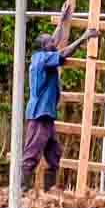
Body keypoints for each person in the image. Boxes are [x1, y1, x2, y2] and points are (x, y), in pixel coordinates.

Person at [19, 30, 68, 190]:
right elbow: (62, 54)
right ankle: (21, 190)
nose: (54, 43)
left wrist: (63, 20)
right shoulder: (42, 58)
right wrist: (84, 37)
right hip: (39, 114)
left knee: (54, 154)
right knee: (32, 153)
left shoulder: (43, 55)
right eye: (50, 42)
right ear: (43, 46)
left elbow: (56, 41)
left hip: (46, 115)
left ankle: (49, 192)